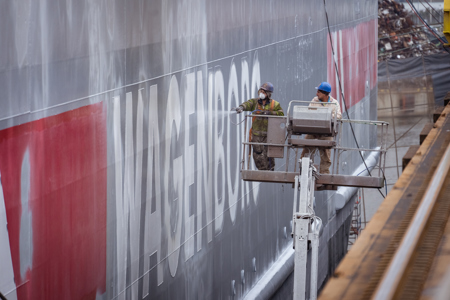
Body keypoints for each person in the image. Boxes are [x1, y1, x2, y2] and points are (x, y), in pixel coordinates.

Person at [235, 82, 284, 171]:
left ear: (269, 94)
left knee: (268, 153)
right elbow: (247, 104)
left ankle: (270, 169)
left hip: (268, 135)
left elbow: (281, 113)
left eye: (264, 92)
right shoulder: (255, 102)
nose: (261, 93)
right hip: (256, 134)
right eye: (261, 91)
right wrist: (241, 108)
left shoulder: (274, 104)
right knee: (257, 154)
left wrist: (270, 113)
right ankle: (262, 170)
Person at [300, 82, 342, 174]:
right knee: (306, 150)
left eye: (318, 92)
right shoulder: (314, 101)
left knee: (326, 154)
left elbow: (338, 115)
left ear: (325, 94)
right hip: (313, 130)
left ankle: (324, 174)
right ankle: (304, 171)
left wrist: (325, 115)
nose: (316, 94)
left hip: (327, 132)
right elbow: (309, 112)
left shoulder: (334, 103)